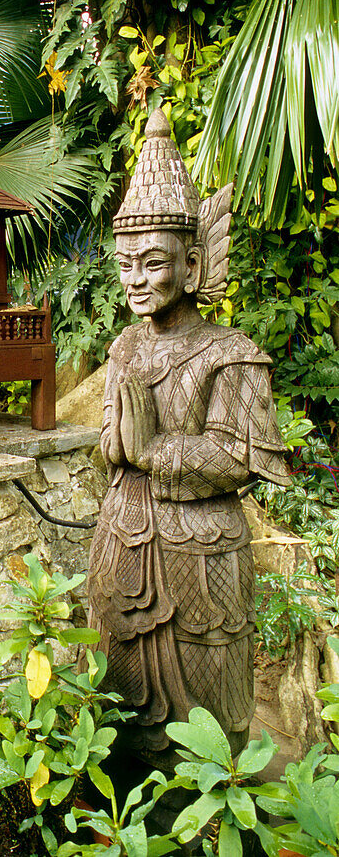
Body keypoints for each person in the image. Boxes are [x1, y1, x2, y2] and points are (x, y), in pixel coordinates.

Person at [88, 108, 291, 759]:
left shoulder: (228, 354)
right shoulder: (122, 347)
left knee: (203, 709)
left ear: (194, 259)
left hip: (199, 554)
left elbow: (236, 457)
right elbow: (107, 444)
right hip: (124, 539)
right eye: (125, 265)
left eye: (152, 263)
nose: (136, 281)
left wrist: (154, 450)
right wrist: (115, 445)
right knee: (121, 692)